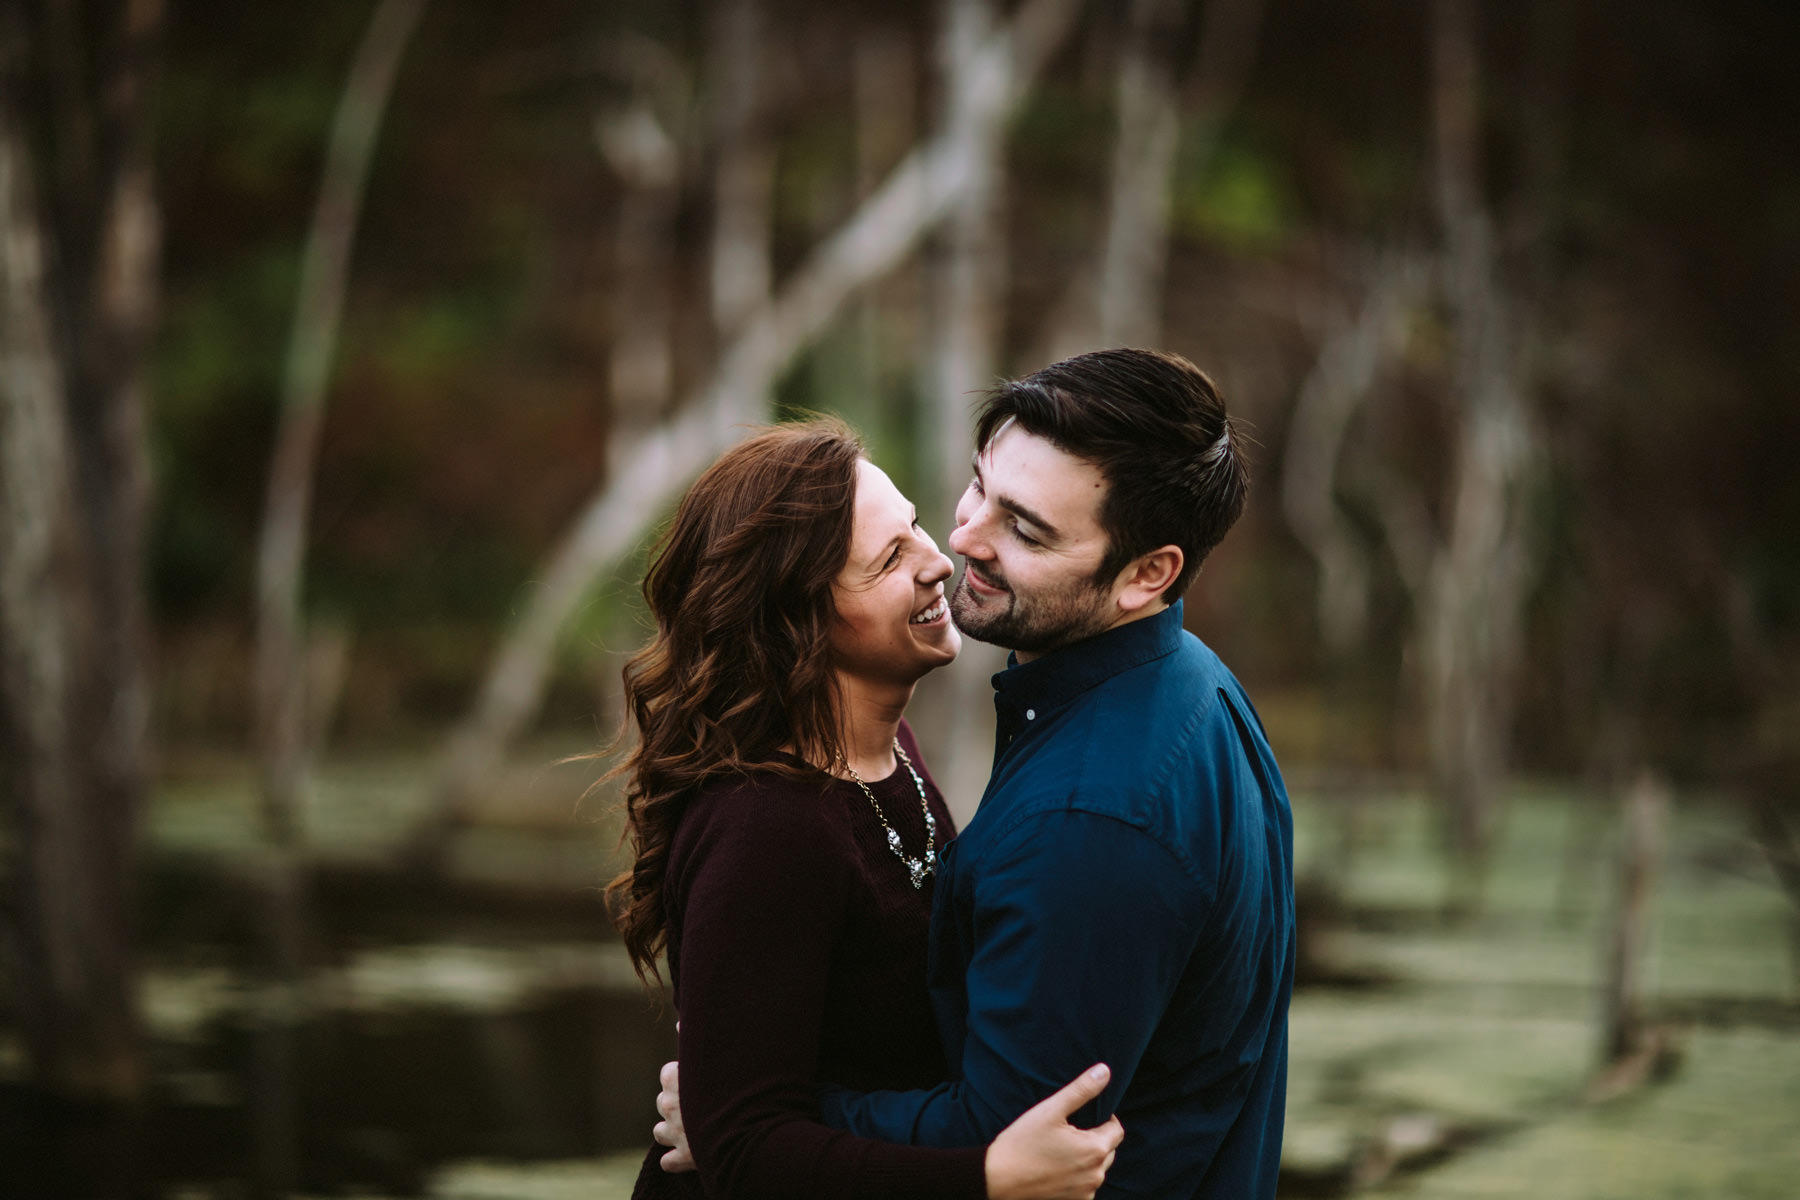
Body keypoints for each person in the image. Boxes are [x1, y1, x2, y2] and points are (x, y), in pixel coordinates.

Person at [657, 348, 1295, 1197]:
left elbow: (1007, 1135)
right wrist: (745, 1121)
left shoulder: (1087, 816)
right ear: (797, 618)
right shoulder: (1197, 688)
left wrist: (749, 1118)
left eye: (1025, 530)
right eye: (977, 489)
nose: (957, 544)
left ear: (1149, 574)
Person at [608, 418, 1124, 1200]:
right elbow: (742, 1153)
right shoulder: (766, 827)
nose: (939, 561)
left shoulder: (891, 755)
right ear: (799, 623)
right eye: (890, 560)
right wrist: (986, 1178)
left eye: (915, 526)